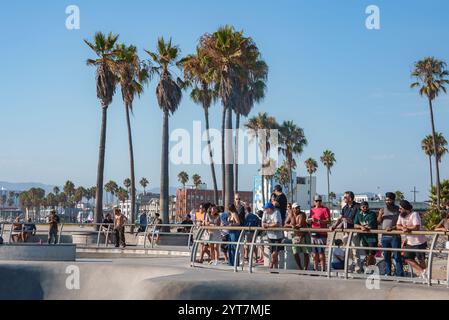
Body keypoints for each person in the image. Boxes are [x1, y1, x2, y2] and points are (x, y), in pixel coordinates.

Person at [396, 200, 428, 279]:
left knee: (421, 260)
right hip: (409, 242)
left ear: (405, 208)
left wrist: (407, 228)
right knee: (407, 258)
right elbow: (397, 225)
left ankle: (425, 275)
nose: (399, 210)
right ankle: (422, 272)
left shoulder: (414, 214)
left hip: (419, 242)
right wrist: (403, 228)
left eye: (400, 208)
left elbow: (416, 226)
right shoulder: (401, 215)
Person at [331, 191, 362, 272]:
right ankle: (350, 267)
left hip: (355, 232)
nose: (343, 198)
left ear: (350, 198)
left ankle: (358, 268)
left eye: (345, 197)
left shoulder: (358, 206)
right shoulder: (345, 207)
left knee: (355, 251)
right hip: (346, 232)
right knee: (348, 251)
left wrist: (348, 220)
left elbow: (359, 220)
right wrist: (334, 226)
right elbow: (340, 218)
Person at [377, 192, 404, 276]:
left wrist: (392, 228)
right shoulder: (383, 209)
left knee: (397, 256)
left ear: (393, 200)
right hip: (384, 236)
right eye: (386, 200)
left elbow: (401, 223)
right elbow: (378, 221)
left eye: (389, 200)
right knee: (386, 256)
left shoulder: (398, 209)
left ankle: (400, 274)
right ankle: (388, 273)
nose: (387, 201)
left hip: (395, 236)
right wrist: (380, 214)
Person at [309, 195, 331, 272]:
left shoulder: (325, 209)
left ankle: (323, 269)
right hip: (313, 232)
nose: (318, 202)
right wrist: (309, 221)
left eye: (320, 200)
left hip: (322, 233)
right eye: (317, 201)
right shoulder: (312, 210)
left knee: (321, 252)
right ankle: (315, 269)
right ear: (314, 201)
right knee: (314, 253)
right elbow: (310, 220)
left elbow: (329, 221)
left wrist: (318, 221)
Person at [354, 202, 378, 267]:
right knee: (366, 254)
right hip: (364, 237)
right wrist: (361, 227)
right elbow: (355, 224)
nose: (365, 208)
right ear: (360, 207)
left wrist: (363, 227)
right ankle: (368, 267)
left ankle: (371, 267)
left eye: (366, 207)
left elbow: (369, 226)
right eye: (363, 207)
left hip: (372, 238)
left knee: (371, 254)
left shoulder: (372, 214)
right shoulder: (358, 214)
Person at [262, 202, 284, 270]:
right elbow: (263, 223)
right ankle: (275, 268)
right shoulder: (265, 213)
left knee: (275, 253)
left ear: (269, 209)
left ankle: (271, 265)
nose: (264, 210)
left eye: (266, 209)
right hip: (270, 235)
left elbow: (276, 224)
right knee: (273, 253)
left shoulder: (276, 212)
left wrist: (268, 225)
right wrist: (268, 225)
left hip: (277, 236)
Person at [289, 203, 311, 270]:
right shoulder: (291, 215)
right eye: (296, 208)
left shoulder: (302, 214)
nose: (297, 209)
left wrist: (293, 226)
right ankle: (300, 268)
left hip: (304, 235)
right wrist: (291, 225)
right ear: (293, 209)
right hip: (295, 235)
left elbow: (300, 225)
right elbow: (285, 224)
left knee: (306, 253)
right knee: (295, 252)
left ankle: (305, 268)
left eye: (298, 207)